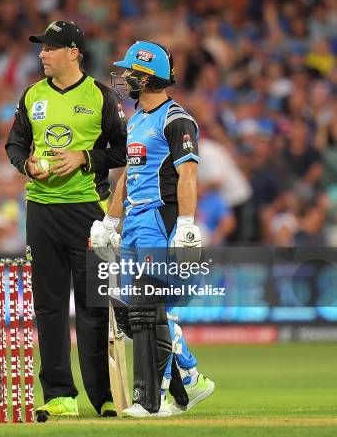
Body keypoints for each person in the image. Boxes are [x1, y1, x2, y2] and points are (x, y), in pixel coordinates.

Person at [5, 20, 127, 418]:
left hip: (88, 212)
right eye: (41, 47)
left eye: (51, 48)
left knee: (94, 306)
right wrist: (27, 165)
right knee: (49, 307)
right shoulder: (32, 95)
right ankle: (60, 394)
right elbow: (14, 143)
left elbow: (125, 150)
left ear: (73, 52)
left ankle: (104, 394)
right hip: (41, 210)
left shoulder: (101, 97)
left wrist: (85, 158)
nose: (42, 54)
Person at [90, 41, 215, 417]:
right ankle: (189, 380)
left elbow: (188, 174)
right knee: (130, 312)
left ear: (146, 77)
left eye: (130, 72)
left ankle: (151, 400)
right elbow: (128, 175)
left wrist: (187, 225)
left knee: (147, 307)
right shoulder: (137, 120)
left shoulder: (176, 119)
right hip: (135, 219)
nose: (123, 79)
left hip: (161, 218)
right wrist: (111, 220)